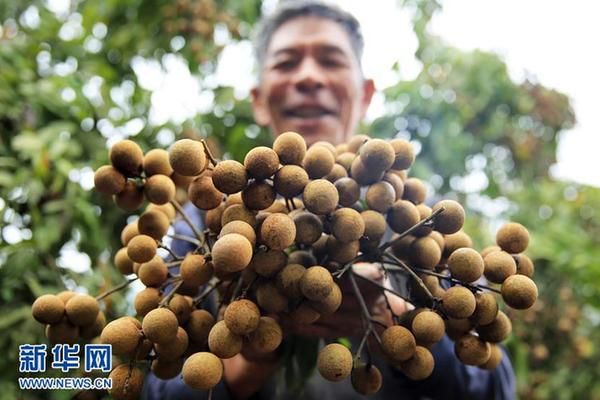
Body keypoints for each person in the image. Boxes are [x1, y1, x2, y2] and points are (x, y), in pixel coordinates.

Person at [144, 1, 516, 399]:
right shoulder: (208, 220)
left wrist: (392, 321)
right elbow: (154, 386)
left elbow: (493, 384)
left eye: (330, 60)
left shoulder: (423, 224)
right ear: (258, 98)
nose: (308, 77)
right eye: (286, 63)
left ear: (366, 93)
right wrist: (253, 353)